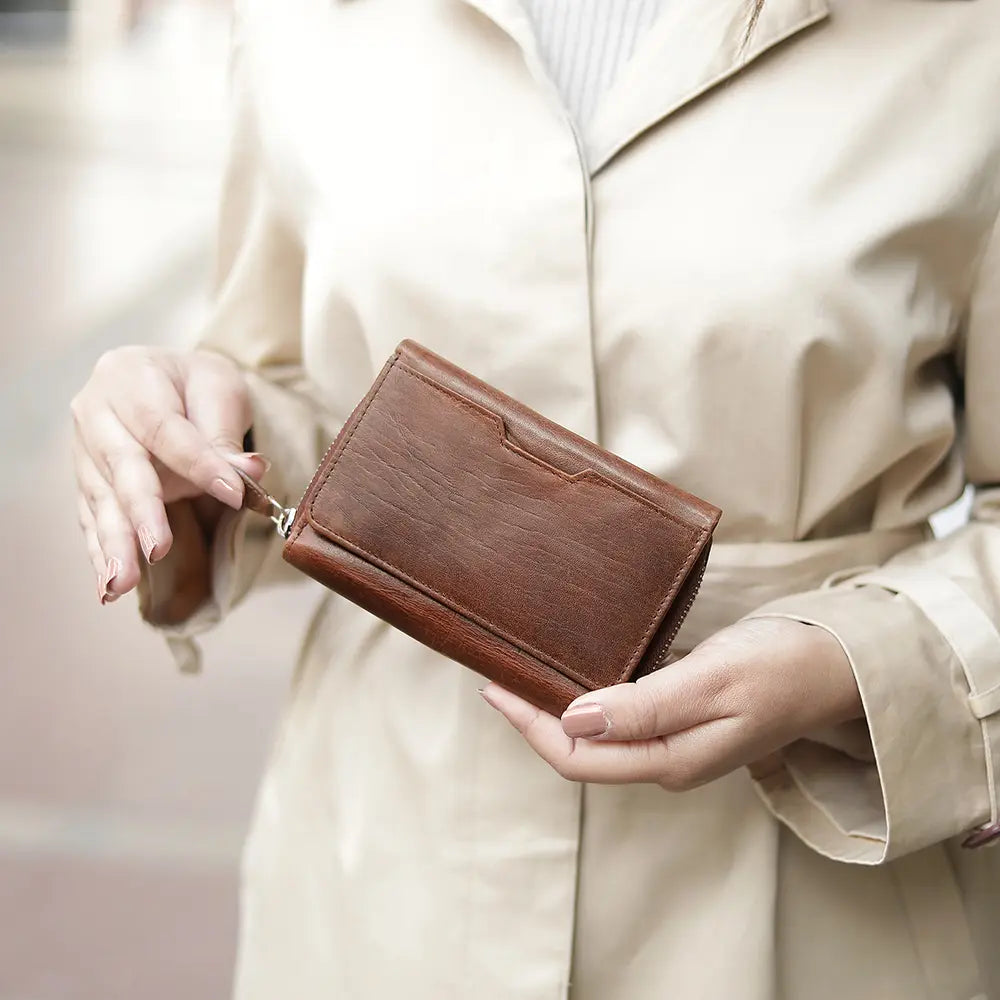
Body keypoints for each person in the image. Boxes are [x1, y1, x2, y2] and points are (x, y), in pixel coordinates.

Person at [70, 1, 1000, 997]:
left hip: (807, 884)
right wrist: (192, 433)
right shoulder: (300, 20)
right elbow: (284, 386)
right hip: (384, 870)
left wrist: (853, 663)